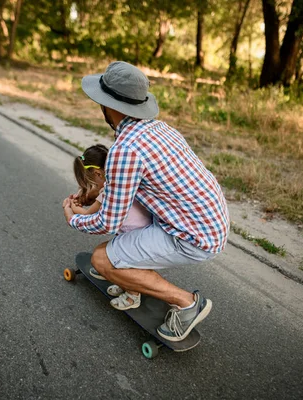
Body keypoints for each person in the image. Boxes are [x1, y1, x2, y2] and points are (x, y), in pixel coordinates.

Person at [62, 61, 229, 342]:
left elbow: (108, 221)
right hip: (211, 220)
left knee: (102, 259)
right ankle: (133, 282)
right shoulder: (159, 129)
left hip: (192, 235)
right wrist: (94, 194)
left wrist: (73, 217)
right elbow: (129, 187)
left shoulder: (125, 151)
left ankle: (188, 303)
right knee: (113, 249)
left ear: (108, 105)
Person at [70, 144, 152, 310]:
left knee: (129, 262)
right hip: (142, 228)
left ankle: (132, 295)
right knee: (127, 260)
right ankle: (124, 282)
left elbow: (87, 216)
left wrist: (69, 207)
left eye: (92, 182)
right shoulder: (121, 182)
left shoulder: (108, 190)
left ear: (99, 174)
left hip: (136, 233)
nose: (93, 187)